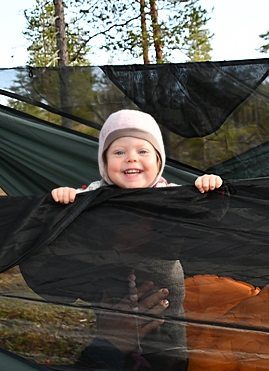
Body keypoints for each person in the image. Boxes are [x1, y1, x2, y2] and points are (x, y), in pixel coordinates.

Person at [51, 109, 223, 370]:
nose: (131, 158)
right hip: (113, 281)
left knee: (169, 345)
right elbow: (71, 203)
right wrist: (65, 195)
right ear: (104, 162)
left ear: (158, 160)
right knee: (116, 341)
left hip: (163, 286)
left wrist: (210, 187)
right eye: (119, 152)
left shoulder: (168, 192)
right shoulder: (97, 193)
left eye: (142, 151)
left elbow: (207, 211)